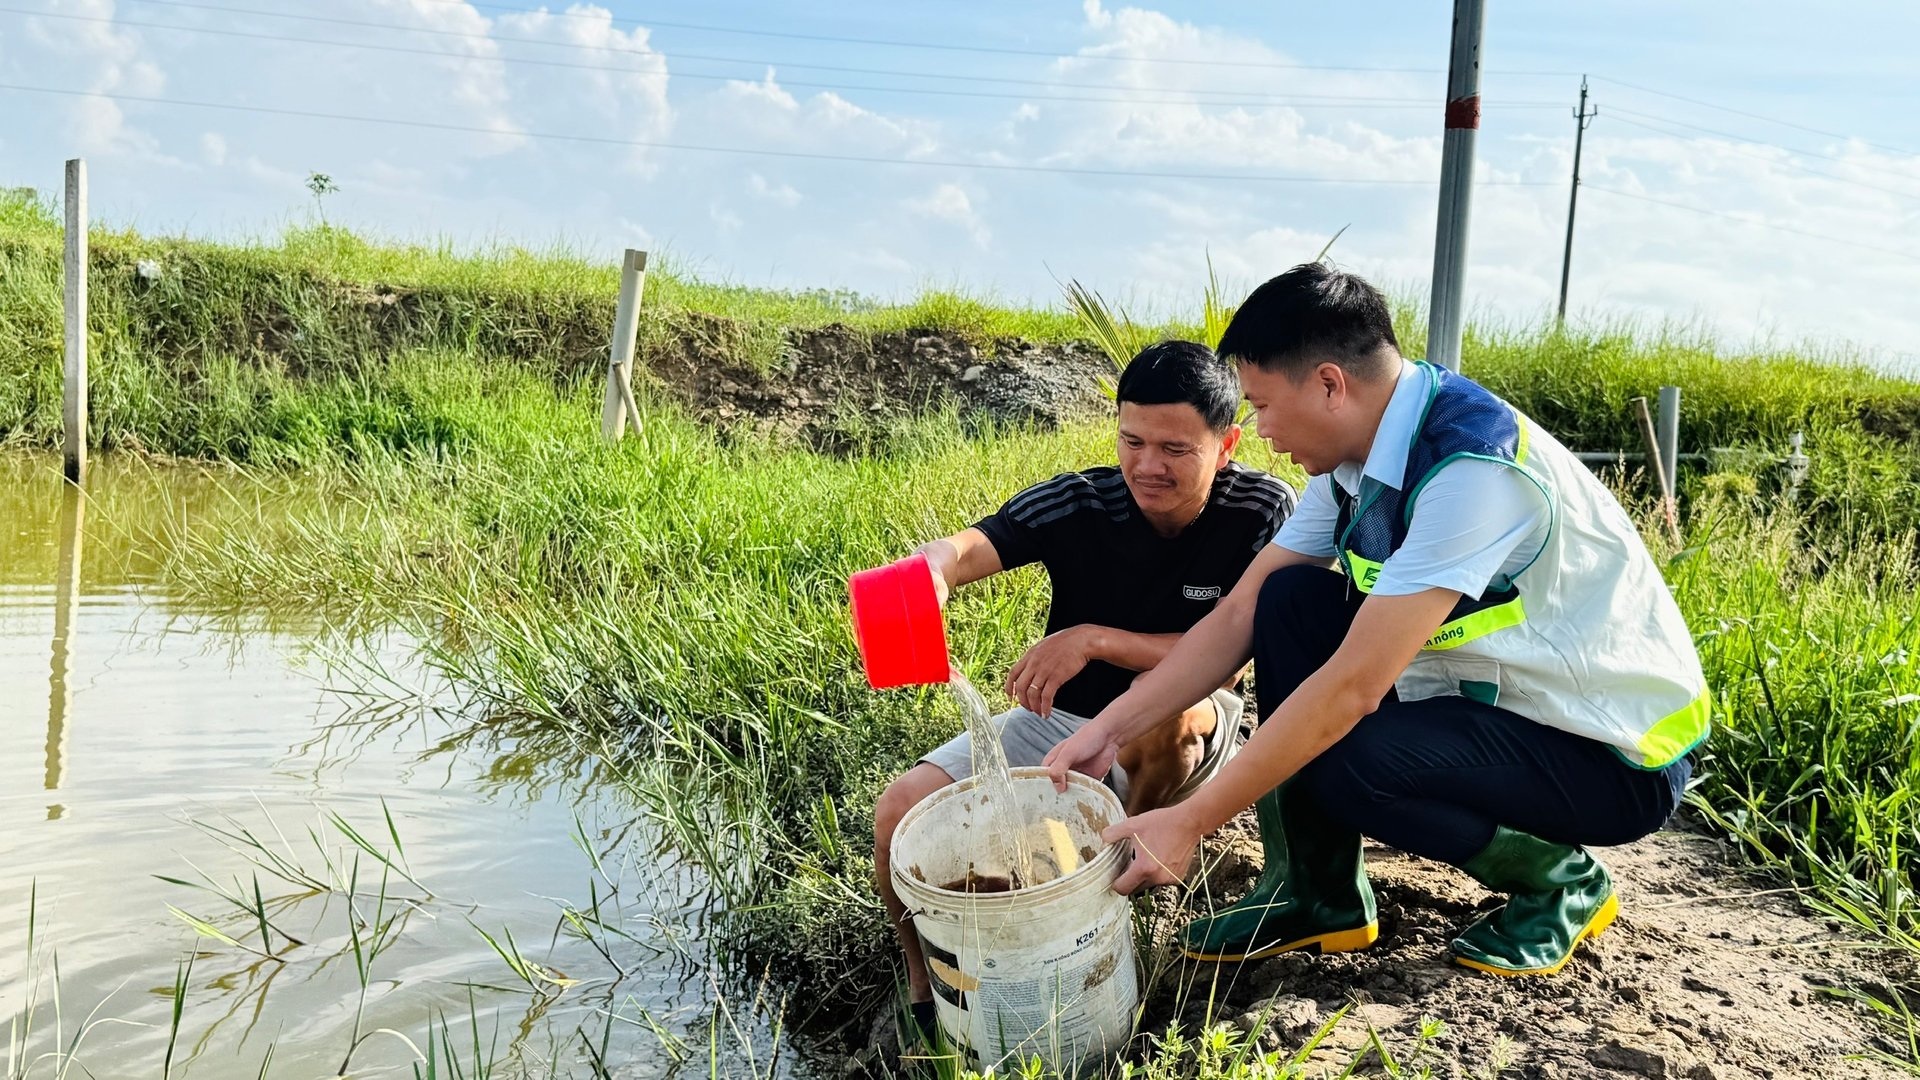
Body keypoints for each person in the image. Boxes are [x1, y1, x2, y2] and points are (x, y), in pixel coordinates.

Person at [1045, 263, 1707, 977]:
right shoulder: (1358, 460)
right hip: (1500, 710)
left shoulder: (1470, 472)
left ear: (1330, 384)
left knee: (1352, 762)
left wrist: (1189, 822)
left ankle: (1560, 882)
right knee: (1288, 600)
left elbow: (1353, 689)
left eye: (1264, 406)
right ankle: (1317, 893)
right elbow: (1241, 611)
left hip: (1607, 754)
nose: (1260, 432)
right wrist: (1107, 731)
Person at [871, 339, 1296, 1032]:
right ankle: (925, 986)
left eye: (1175, 449)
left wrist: (1094, 639)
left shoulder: (1262, 508)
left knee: (1170, 717)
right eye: (1132, 441)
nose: (1147, 466)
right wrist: (929, 572)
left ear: (1227, 445)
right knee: (900, 811)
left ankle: (1119, 880)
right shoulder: (1081, 500)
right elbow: (973, 544)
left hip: (1188, 726)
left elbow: (1234, 644)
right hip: (1062, 721)